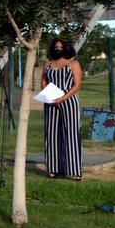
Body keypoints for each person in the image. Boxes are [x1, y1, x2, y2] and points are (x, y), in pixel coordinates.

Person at [41, 37, 83, 180]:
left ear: (66, 48)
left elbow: (77, 85)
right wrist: (49, 96)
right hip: (50, 101)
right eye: (55, 47)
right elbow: (44, 81)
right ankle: (54, 169)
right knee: (51, 134)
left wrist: (62, 98)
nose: (58, 49)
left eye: (60, 47)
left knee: (71, 134)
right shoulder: (48, 65)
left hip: (69, 100)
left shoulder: (73, 64)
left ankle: (73, 171)